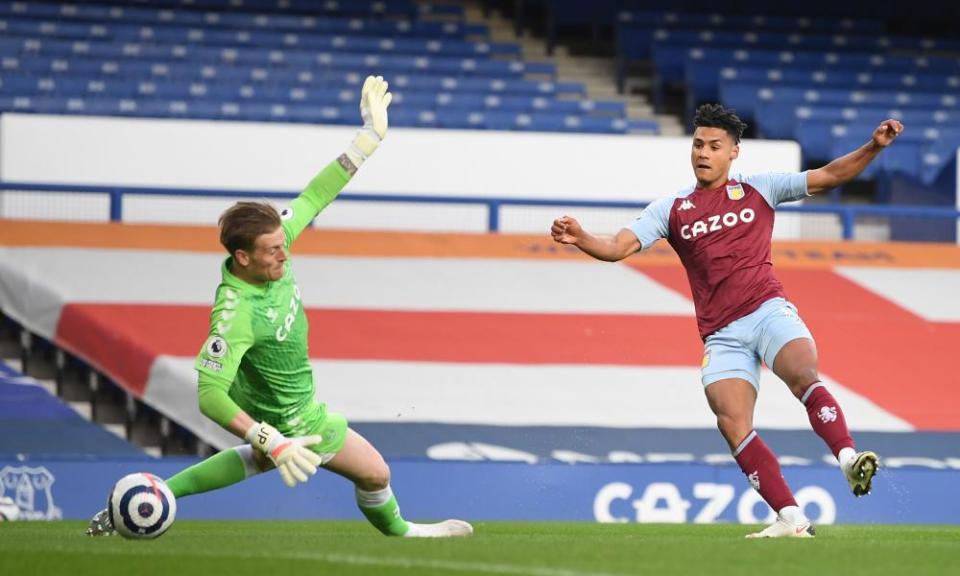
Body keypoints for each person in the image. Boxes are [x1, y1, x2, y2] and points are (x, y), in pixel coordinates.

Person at [87, 75, 472, 538]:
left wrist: (368, 139)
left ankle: (148, 498)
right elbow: (209, 394)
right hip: (285, 417)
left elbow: (315, 195)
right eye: (272, 250)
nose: (285, 254)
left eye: (281, 244)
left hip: (299, 407)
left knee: (368, 473)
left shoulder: (275, 242)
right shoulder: (235, 313)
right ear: (242, 256)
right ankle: (407, 535)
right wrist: (268, 435)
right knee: (364, 470)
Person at [551, 103, 902, 538]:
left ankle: (848, 459)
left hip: (768, 309)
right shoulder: (672, 209)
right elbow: (620, 245)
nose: (703, 153)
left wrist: (873, 146)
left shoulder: (761, 188)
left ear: (733, 152)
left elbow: (829, 175)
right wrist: (582, 237)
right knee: (732, 422)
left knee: (802, 373)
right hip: (722, 334)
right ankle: (791, 519)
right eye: (698, 144)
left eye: (714, 146)